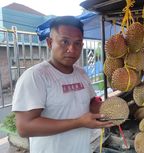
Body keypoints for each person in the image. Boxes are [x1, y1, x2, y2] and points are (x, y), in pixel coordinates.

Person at [12, 16, 113, 153]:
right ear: (49, 42)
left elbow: (91, 103)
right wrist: (79, 122)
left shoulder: (81, 73)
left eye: (77, 43)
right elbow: (24, 127)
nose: (71, 49)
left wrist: (107, 109)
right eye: (64, 41)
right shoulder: (35, 76)